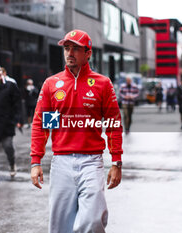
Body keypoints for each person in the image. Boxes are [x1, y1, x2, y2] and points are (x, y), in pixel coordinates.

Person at [30, 29, 123, 233]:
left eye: (75, 49)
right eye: (66, 48)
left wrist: (116, 161)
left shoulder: (102, 84)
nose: (69, 53)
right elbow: (42, 125)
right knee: (59, 226)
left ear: (88, 53)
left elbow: (114, 123)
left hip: (92, 162)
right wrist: (35, 161)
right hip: (61, 161)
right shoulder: (52, 84)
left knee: (92, 222)